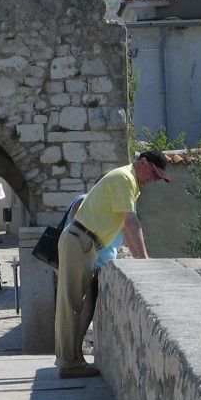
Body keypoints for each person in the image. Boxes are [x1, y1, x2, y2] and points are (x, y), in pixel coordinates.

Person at [55, 150, 170, 378]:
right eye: (154, 174)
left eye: (158, 178)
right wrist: (145, 262)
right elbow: (131, 222)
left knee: (84, 305)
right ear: (142, 162)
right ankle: (67, 363)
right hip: (79, 241)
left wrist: (140, 260)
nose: (153, 180)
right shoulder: (124, 178)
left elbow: (124, 227)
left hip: (86, 243)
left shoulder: (129, 183)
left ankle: (74, 360)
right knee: (71, 304)